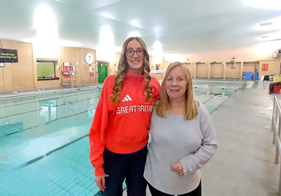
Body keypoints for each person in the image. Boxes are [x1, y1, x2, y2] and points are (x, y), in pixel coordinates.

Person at [89, 37, 161, 196]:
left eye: (139, 50)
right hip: (113, 156)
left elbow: (167, 114)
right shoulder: (110, 83)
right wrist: (98, 166)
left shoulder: (154, 85)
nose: (135, 55)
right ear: (124, 55)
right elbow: (98, 126)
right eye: (130, 50)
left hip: (140, 155)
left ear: (144, 54)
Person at [144, 62, 218, 196]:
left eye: (180, 79)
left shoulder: (199, 111)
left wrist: (188, 164)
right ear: (164, 82)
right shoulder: (155, 108)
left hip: (188, 185)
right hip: (157, 182)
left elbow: (211, 144)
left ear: (188, 83)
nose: (174, 84)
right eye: (170, 79)